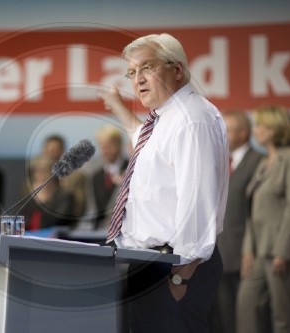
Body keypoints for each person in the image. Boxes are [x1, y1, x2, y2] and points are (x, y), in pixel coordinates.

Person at [98, 33, 229, 332]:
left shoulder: (192, 118)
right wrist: (117, 106)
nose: (138, 79)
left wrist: (182, 274)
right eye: (132, 72)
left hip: (177, 264)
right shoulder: (163, 120)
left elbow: (197, 198)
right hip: (150, 263)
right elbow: (142, 142)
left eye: (147, 68)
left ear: (178, 70)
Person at [237, 105, 290, 333]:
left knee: (285, 316)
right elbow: (252, 211)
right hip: (260, 250)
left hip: (283, 250)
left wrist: (283, 251)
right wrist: (247, 249)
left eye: (261, 125)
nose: (256, 130)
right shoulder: (264, 163)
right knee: (247, 306)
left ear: (275, 128)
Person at [209, 110, 263, 333]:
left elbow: (257, 213)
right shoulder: (219, 162)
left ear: (243, 132)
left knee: (245, 320)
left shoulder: (259, 163)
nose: (222, 136)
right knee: (221, 317)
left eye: (227, 131)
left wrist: (250, 249)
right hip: (217, 253)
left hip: (245, 254)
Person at [25, 134, 87, 219]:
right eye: (50, 151)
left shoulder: (76, 177)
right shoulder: (33, 176)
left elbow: (79, 209)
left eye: (57, 150)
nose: (53, 154)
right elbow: (24, 209)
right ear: (44, 151)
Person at [19, 156, 76, 230]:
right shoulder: (28, 196)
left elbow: (54, 222)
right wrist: (35, 198)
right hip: (28, 238)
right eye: (37, 171)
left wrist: (42, 200)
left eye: (45, 171)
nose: (41, 175)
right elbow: (20, 221)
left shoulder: (65, 197)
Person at [91, 125, 128, 229]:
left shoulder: (132, 170)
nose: (106, 151)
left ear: (120, 146)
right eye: (103, 147)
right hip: (101, 234)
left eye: (110, 146)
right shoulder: (95, 176)